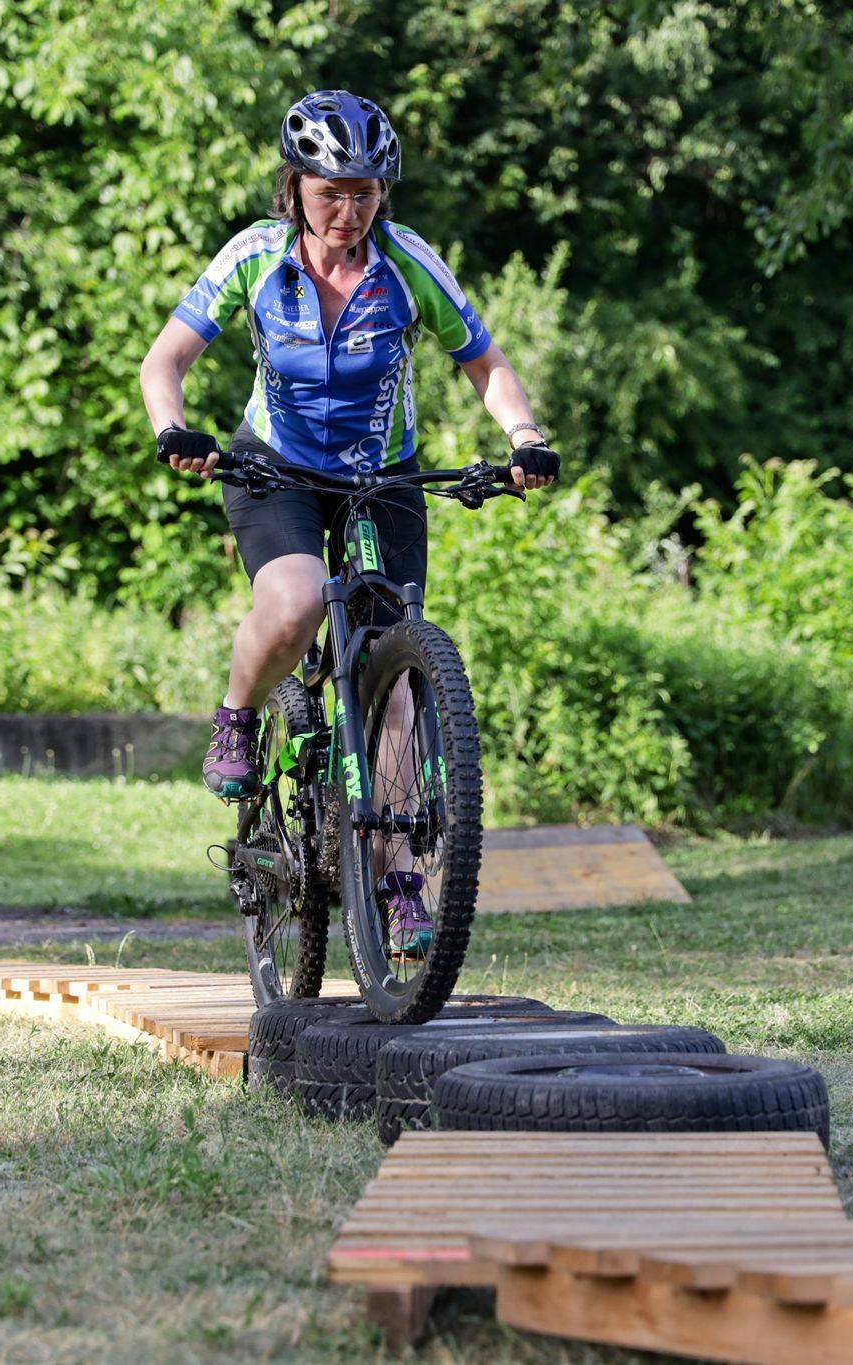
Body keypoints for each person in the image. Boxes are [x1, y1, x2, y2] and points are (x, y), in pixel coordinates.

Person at [140, 89, 558, 953]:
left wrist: (524, 435)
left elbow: (487, 365)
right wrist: (172, 427)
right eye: (330, 192)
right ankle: (239, 715)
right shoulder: (256, 256)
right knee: (294, 602)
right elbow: (165, 360)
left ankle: (397, 881)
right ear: (293, 188)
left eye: (365, 192)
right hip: (276, 469)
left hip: (384, 475)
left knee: (394, 674)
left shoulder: (407, 264)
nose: (348, 210)